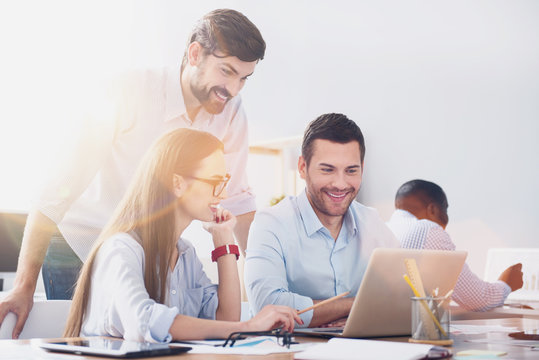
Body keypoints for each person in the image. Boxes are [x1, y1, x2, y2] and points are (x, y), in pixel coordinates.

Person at [0, 9, 265, 338]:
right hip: (81, 240)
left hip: (149, 247)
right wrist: (23, 287)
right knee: (91, 339)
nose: (234, 89)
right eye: (227, 71)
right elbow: (57, 190)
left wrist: (264, 288)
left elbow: (239, 203)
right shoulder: (129, 91)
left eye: (244, 78)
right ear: (195, 54)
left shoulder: (231, 113)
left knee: (143, 337)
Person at [63, 128, 301, 341]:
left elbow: (225, 323)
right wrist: (249, 326)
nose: (225, 193)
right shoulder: (121, 249)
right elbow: (142, 322)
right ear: (177, 183)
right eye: (215, 182)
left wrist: (224, 242)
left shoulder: (186, 254)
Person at [244, 113, 399, 328]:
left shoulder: (372, 222)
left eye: (351, 170)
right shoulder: (270, 224)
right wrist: (355, 306)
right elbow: (268, 306)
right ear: (302, 167)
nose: (340, 183)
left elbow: (402, 297)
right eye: (327, 170)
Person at [387, 179, 524, 311]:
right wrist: (506, 283)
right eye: (445, 209)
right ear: (433, 210)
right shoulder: (429, 229)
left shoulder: (384, 228)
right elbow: (478, 300)